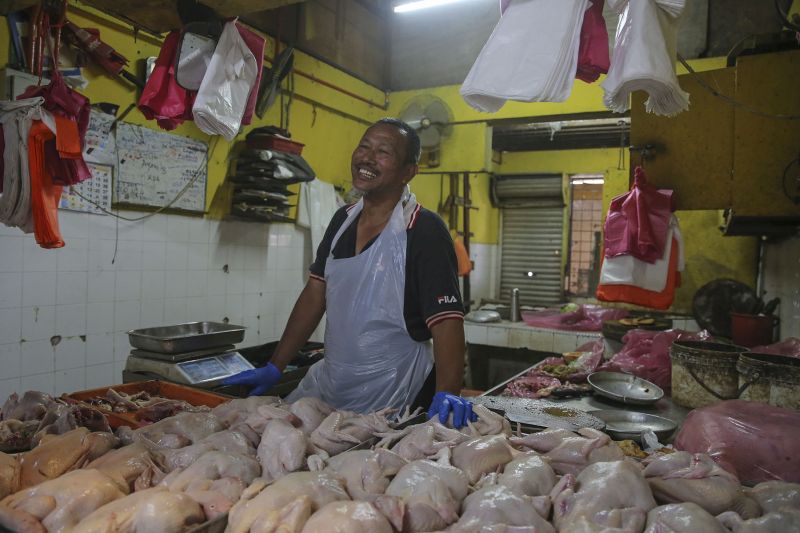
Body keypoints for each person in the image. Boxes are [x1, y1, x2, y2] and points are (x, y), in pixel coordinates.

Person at [224, 118, 476, 428]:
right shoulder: (341, 221)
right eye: (364, 146)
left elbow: (447, 320)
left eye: (384, 151)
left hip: (398, 398)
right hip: (334, 387)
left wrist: (448, 392)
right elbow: (315, 295)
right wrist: (276, 366)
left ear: (409, 171)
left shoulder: (424, 229)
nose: (368, 158)